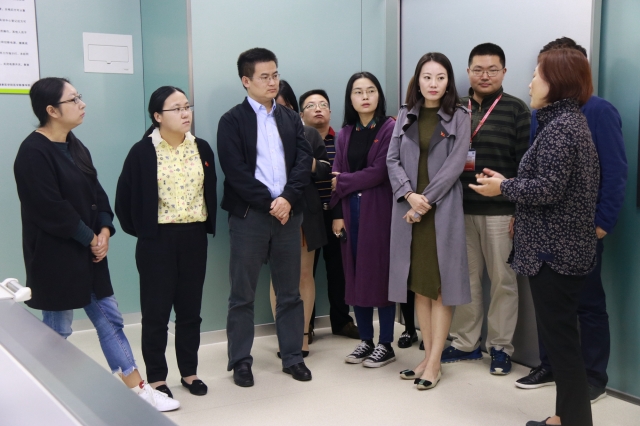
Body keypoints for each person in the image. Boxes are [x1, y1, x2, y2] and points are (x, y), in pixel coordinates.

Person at [13, 77, 179, 412]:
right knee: (58, 329)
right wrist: (90, 238)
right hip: (56, 257)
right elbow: (50, 209)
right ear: (51, 110)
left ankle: (138, 390)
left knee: (110, 320)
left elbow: (97, 194)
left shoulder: (75, 145)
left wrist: (103, 229)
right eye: (73, 100)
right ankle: (42, 394)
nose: (82, 104)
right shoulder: (33, 153)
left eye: (80, 97)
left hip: (90, 253)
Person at [470, 48, 599, 426]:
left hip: (555, 254)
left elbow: (549, 189)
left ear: (556, 83)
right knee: (563, 344)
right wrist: (508, 182)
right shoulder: (564, 122)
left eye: (537, 76)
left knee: (563, 346)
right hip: (560, 250)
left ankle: (574, 421)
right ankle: (565, 416)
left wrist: (503, 187)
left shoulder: (562, 128)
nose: (530, 84)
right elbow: (549, 183)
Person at [515, 37, 627, 404]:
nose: (533, 80)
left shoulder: (598, 112)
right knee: (551, 309)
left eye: (541, 71)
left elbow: (615, 172)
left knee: (588, 304)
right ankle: (551, 366)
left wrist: (601, 223)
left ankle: (593, 377)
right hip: (543, 232)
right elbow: (537, 172)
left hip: (579, 231)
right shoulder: (542, 114)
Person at [217, 48, 313, 386]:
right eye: (264, 77)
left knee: (289, 292)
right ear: (246, 80)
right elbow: (235, 172)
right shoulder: (232, 120)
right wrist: (271, 203)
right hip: (250, 217)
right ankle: (241, 362)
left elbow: (303, 161)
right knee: (242, 294)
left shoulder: (290, 118)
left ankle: (292, 357)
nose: (273, 82)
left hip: (288, 216)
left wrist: (287, 199)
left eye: (275, 75)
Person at [115, 86, 217, 398]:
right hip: (157, 240)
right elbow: (123, 201)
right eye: (177, 108)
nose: (186, 113)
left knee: (190, 311)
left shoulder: (201, 148)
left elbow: (209, 191)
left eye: (187, 107)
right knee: (156, 313)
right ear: (158, 116)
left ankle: (189, 372)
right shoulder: (142, 152)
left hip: (194, 237)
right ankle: (157, 378)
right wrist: (146, 232)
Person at [444, 43, 531, 375]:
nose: (485, 75)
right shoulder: (454, 108)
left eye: (492, 70)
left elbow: (526, 166)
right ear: (468, 72)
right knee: (465, 280)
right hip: (459, 211)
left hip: (501, 212)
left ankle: (500, 348)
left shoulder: (517, 110)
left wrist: (519, 211)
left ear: (504, 72)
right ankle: (465, 343)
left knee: (503, 282)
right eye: (478, 69)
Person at [387, 53, 471, 389]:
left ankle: (434, 361)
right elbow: (392, 160)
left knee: (439, 288)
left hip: (441, 210)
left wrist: (423, 203)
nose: (433, 84)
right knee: (419, 287)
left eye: (440, 77)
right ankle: (425, 356)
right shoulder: (405, 114)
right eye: (427, 77)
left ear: (448, 81)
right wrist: (409, 195)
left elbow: (455, 166)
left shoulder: (460, 116)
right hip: (409, 211)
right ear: (417, 80)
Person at [329, 71, 396, 367]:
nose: (365, 96)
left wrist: (344, 181)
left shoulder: (390, 128)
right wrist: (337, 214)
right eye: (358, 92)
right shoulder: (345, 133)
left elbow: (380, 172)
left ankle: (386, 343)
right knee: (355, 275)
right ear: (350, 98)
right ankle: (366, 340)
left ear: (379, 95)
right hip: (349, 212)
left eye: (370, 90)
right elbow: (335, 172)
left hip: (379, 211)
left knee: (379, 275)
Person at [269, 80, 331, 357]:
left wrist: (306, 161)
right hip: (273, 212)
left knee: (305, 274)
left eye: (281, 106)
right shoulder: (257, 135)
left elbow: (325, 170)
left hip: (305, 210)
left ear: (292, 108)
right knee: (279, 277)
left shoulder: (308, 133)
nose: (274, 112)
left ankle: (304, 334)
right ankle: (284, 335)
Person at [299, 89, 359, 340]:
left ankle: (342, 321)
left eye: (323, 104)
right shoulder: (298, 142)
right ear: (301, 114)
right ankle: (306, 325)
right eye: (311, 105)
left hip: (338, 214)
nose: (318, 109)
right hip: (307, 217)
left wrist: (338, 213)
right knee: (305, 273)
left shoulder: (343, 140)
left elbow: (346, 179)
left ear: (331, 112)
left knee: (339, 270)